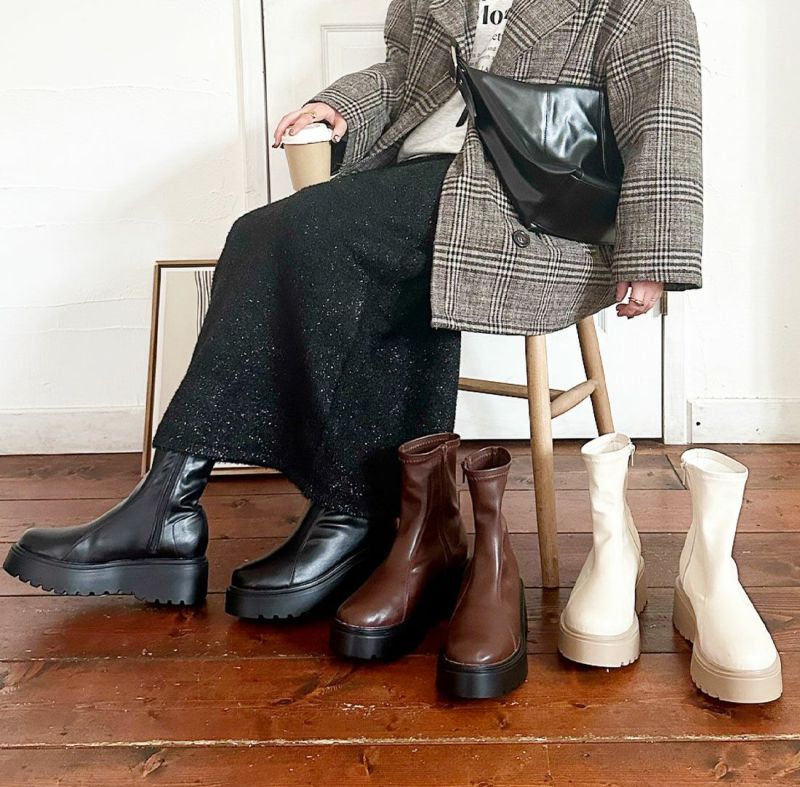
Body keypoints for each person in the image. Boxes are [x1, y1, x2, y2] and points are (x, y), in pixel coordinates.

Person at [5, 0, 702, 628]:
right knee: (336, 252)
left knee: (276, 233)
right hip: (419, 179)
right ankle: (351, 518)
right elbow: (404, 75)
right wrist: (339, 108)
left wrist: (653, 253)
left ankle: (192, 510)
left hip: (523, 207)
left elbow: (663, 116)